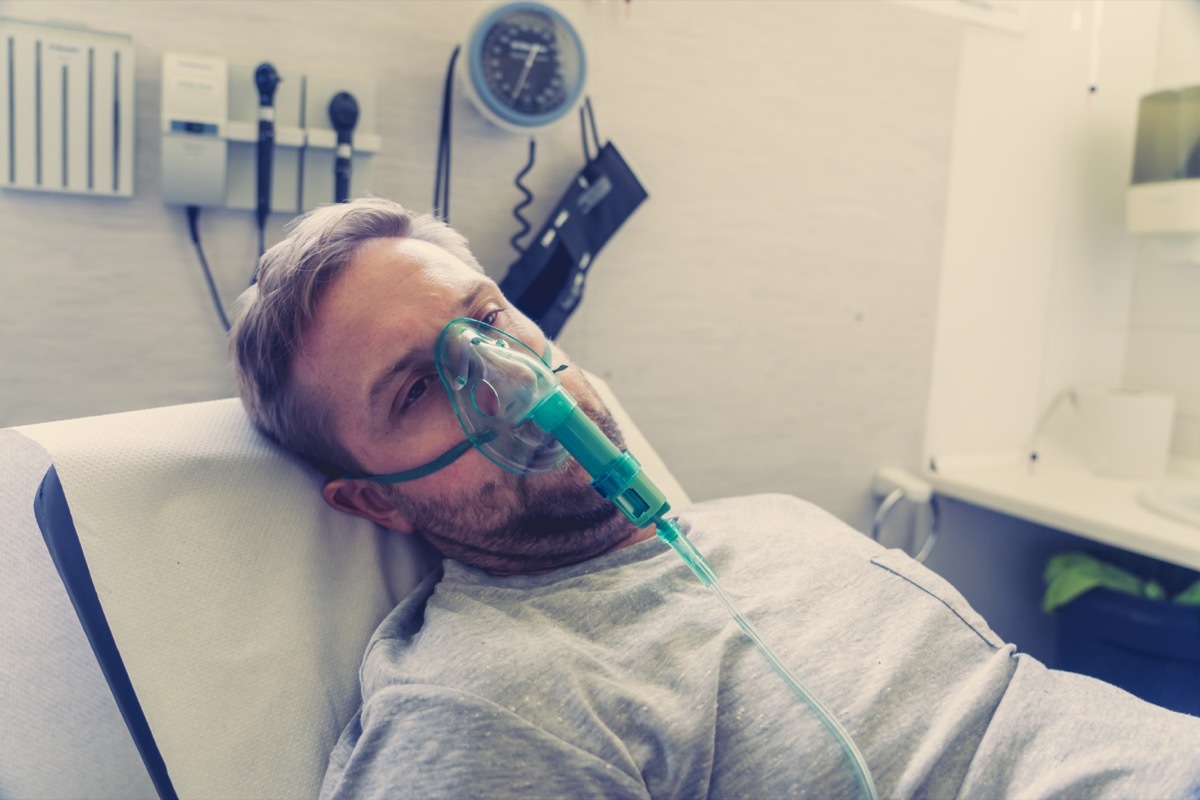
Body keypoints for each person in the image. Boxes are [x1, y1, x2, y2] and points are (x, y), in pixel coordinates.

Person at [231, 198, 1200, 799]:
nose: (508, 379)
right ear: (374, 501)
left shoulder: (773, 519)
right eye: (417, 387)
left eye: (487, 320)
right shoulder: (492, 698)